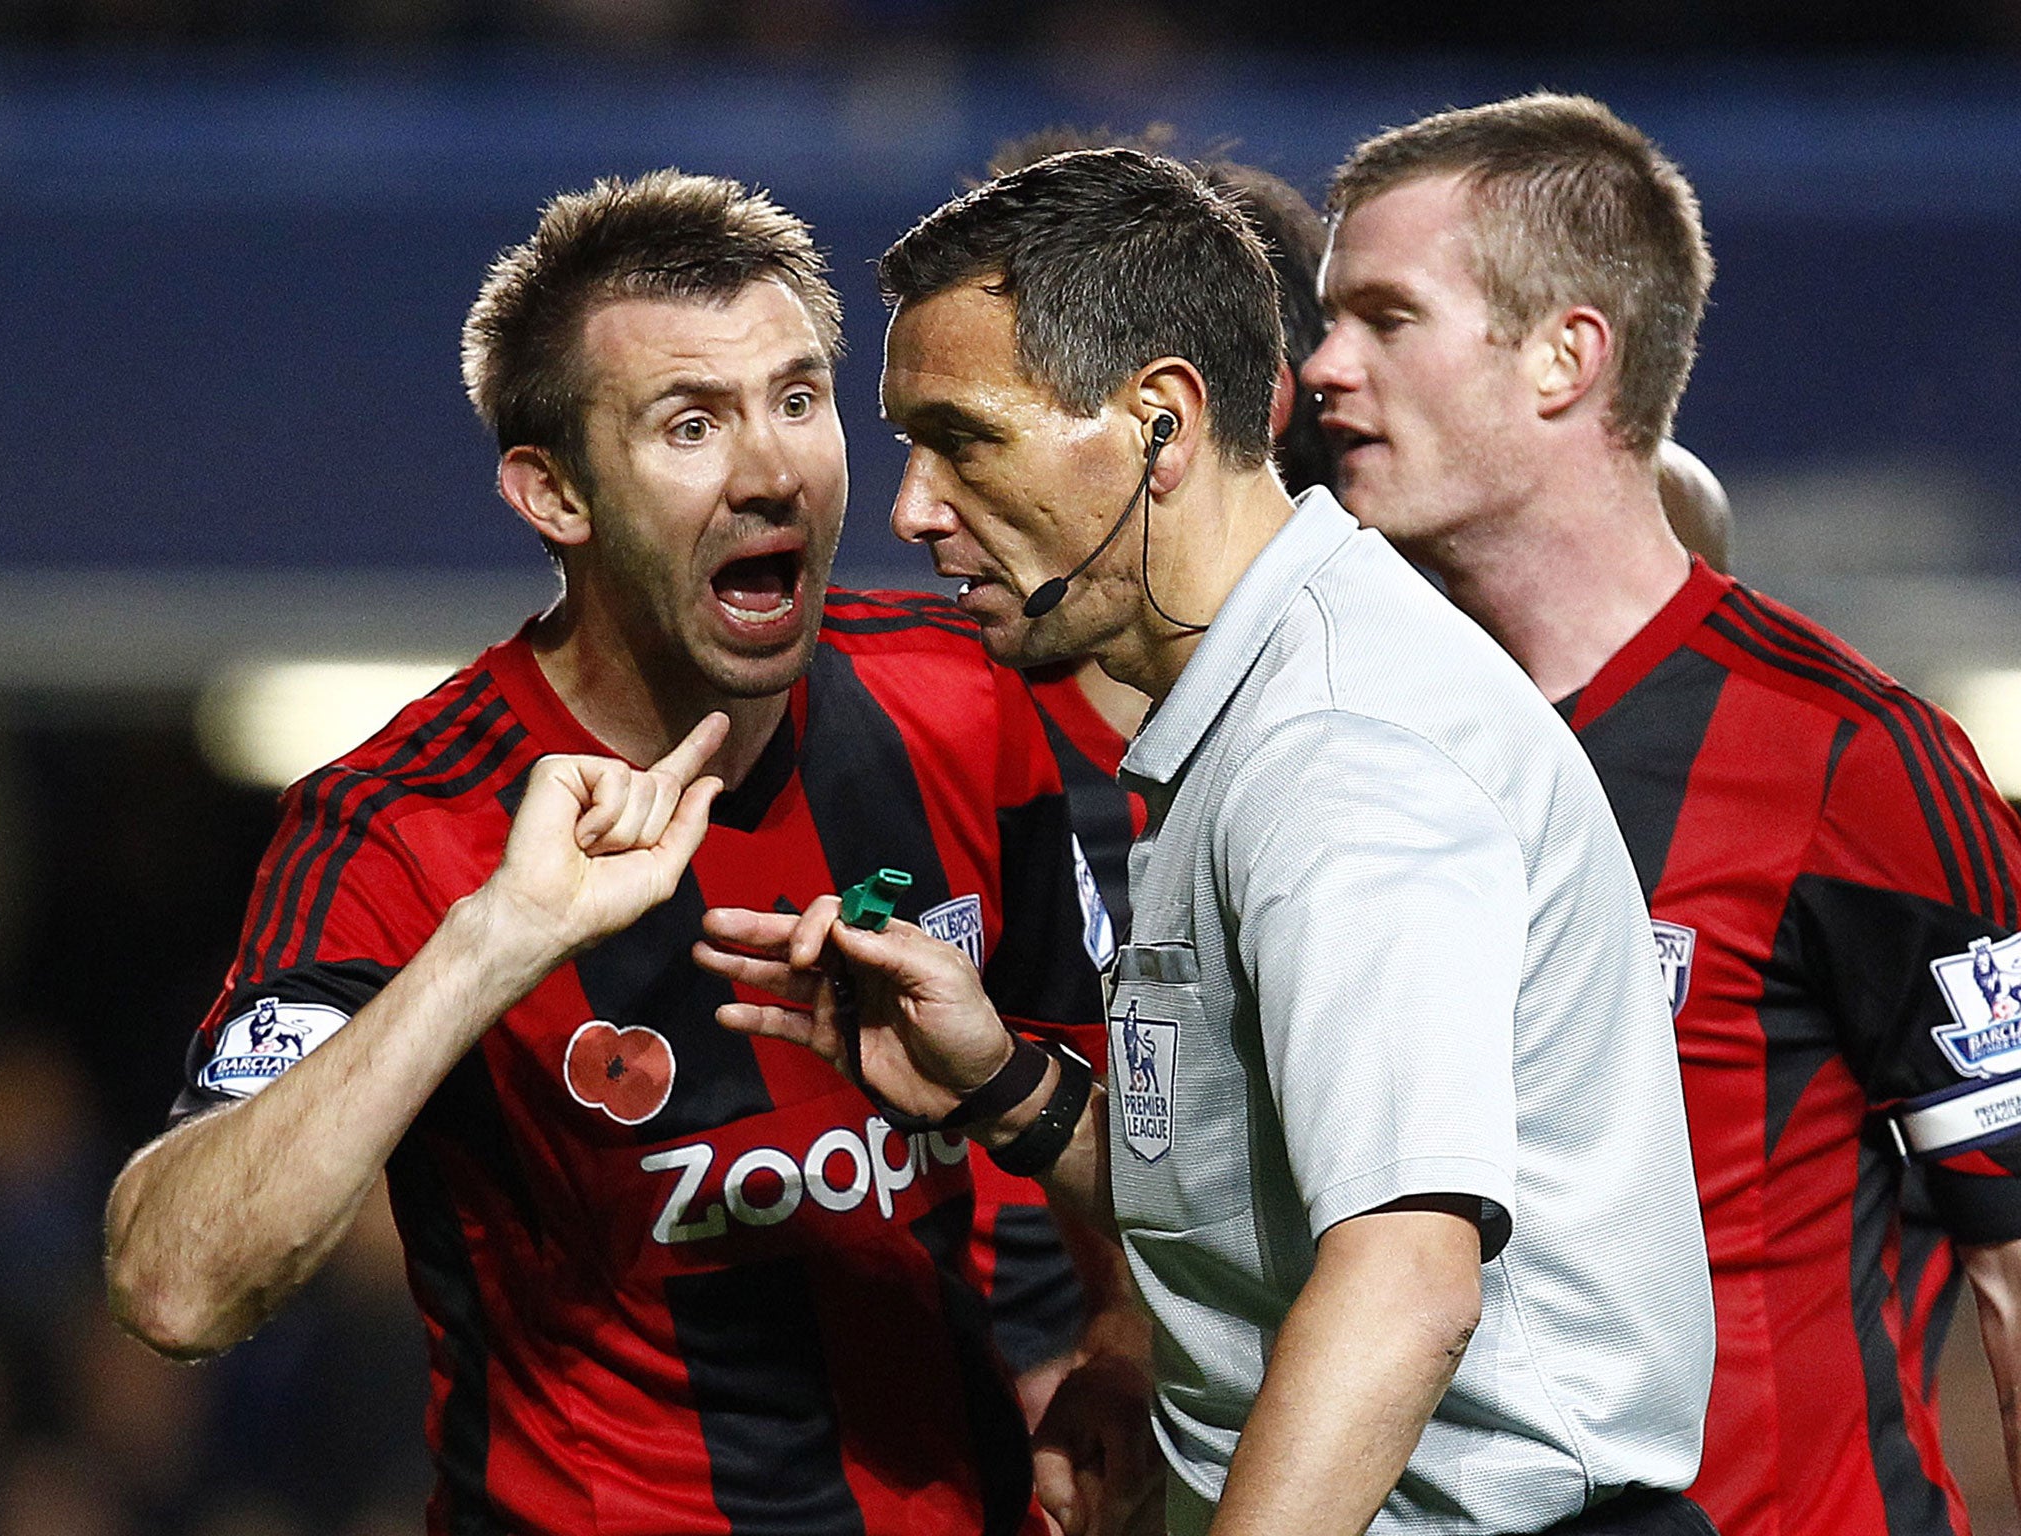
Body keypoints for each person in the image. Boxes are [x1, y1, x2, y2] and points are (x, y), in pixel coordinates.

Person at [696, 146, 1716, 1536]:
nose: (913, 509)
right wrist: (1000, 1087)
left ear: (1161, 423)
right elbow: (1269, 1208)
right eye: (907, 448)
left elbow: (1404, 1281)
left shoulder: (1338, 749)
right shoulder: (1258, 706)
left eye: (966, 438)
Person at [103, 169, 1122, 1535]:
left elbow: (1129, 1122)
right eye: (690, 424)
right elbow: (177, 1285)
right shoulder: (401, 822)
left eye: (800, 400)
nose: (770, 470)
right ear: (556, 493)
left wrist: (1117, 1339)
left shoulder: (968, 697)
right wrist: (490, 945)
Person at [1298, 92, 2021, 1536]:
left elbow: (2013, 1266)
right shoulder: (1343, 754)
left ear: (1568, 355)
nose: (1322, 370)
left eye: (1386, 318)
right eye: (1329, 321)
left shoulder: (1851, 762)